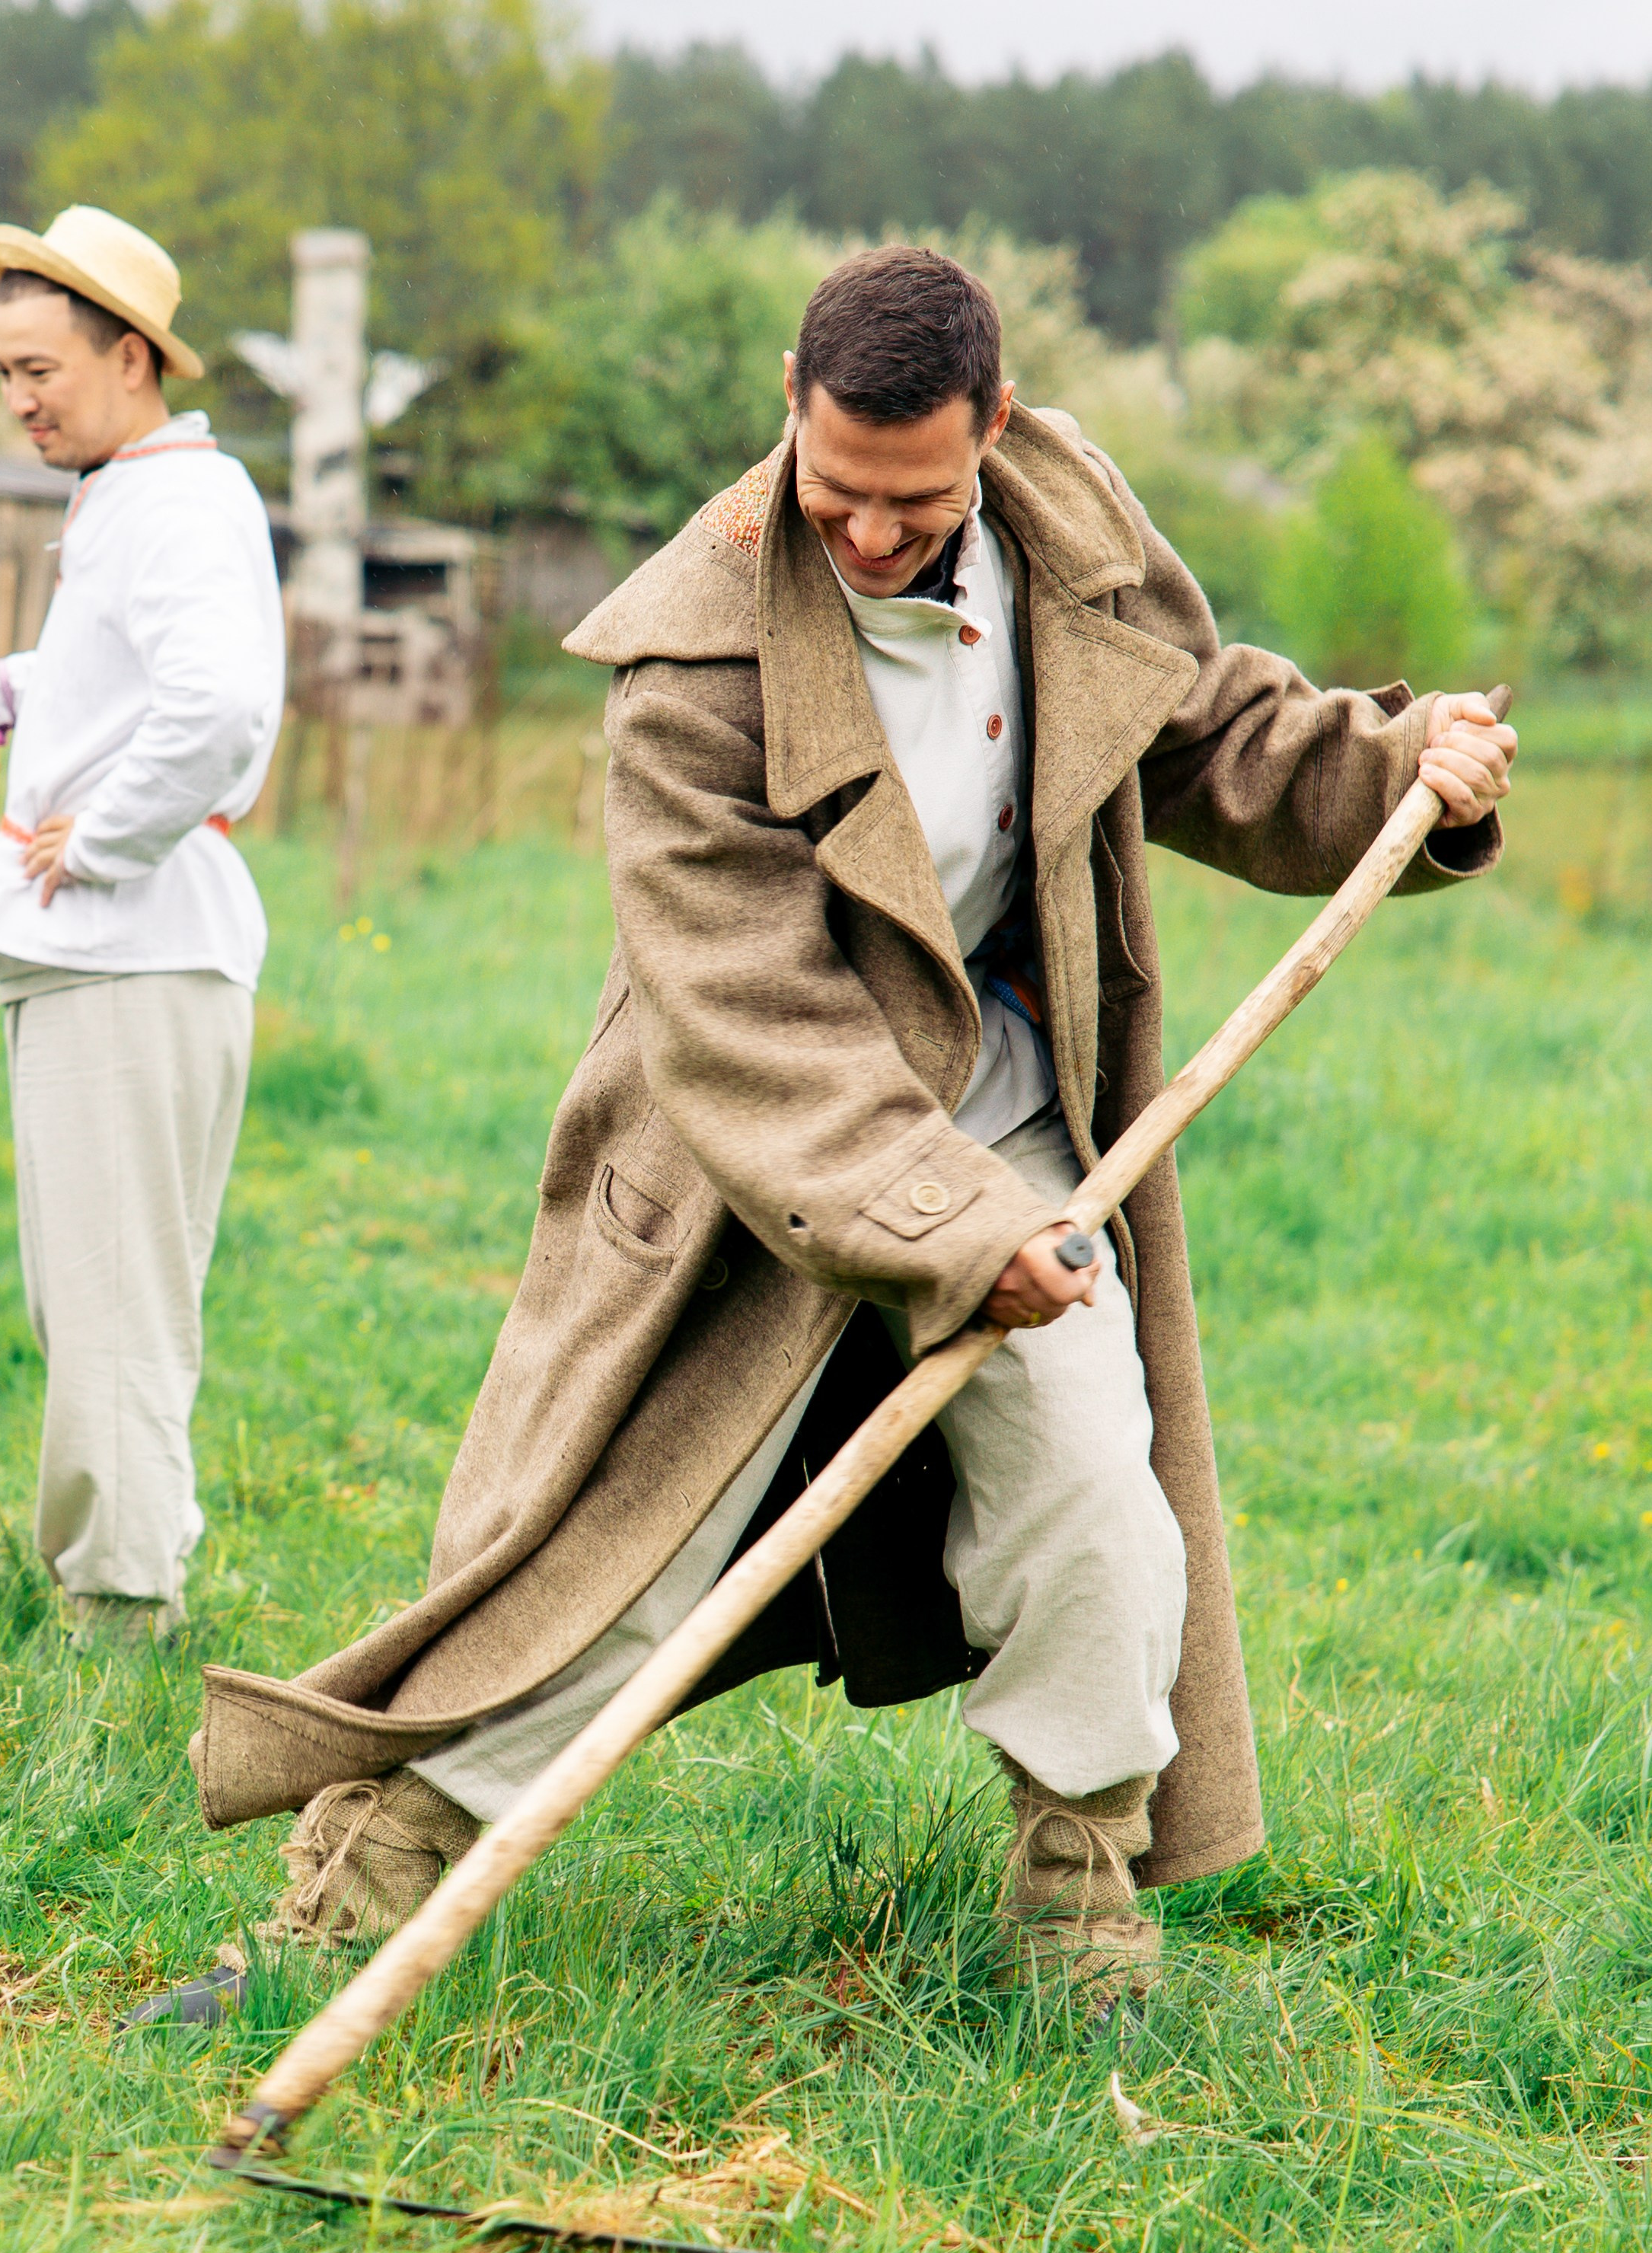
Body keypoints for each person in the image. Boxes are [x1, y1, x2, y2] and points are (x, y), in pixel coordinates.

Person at [163, 247, 1513, 2031]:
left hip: (1016, 1120)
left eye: (912, 500)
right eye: (833, 492)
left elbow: (1207, 731)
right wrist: (953, 1229)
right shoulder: (688, 663)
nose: (868, 537)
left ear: (994, 433)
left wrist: (1403, 765)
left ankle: (1077, 1901)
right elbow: (756, 1025)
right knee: (609, 1563)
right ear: (788, 412)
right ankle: (352, 1898)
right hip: (745, 1168)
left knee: (1094, 1491)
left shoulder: (1064, 526)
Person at [0, 206, 284, 1645]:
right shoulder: (134, 498)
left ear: (134, 356)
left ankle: (120, 1617)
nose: (19, 398)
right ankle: (120, 1585)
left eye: (41, 368)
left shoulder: (178, 501)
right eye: (3, 371)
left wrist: (99, 838)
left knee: (112, 1309)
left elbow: (216, 705)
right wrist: (4, 690)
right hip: (111, 953)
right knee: (90, 1296)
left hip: (135, 943)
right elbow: (124, 668)